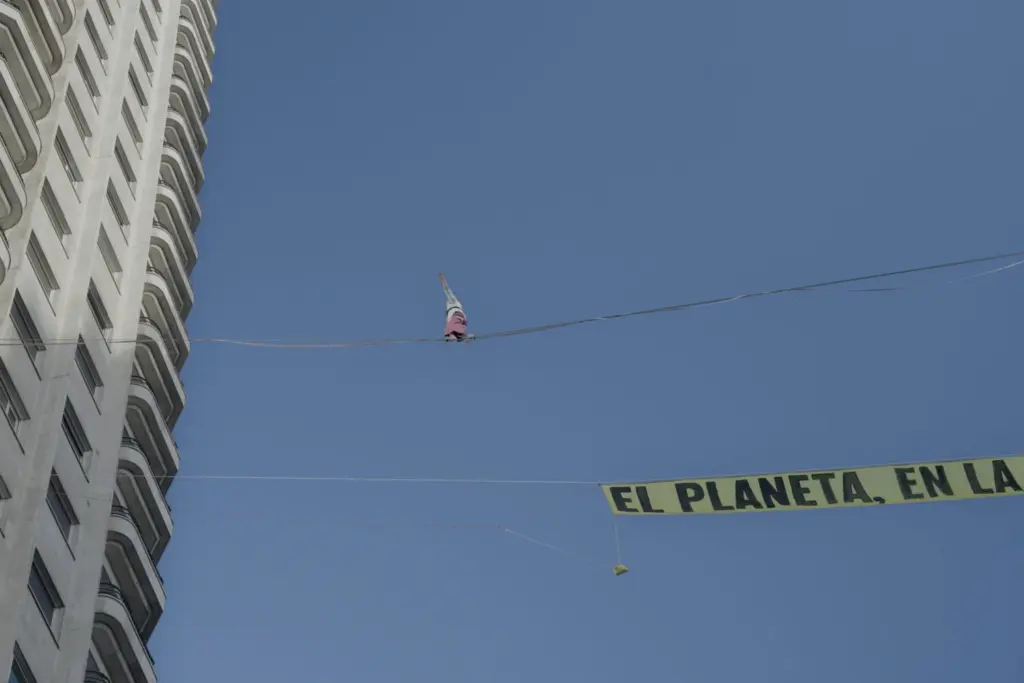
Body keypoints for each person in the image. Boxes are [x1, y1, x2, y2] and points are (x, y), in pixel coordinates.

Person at [440, 273, 472, 342]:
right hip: (460, 317)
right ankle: (459, 335)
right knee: (452, 325)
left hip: (456, 314)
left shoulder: (452, 300)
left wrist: (443, 281)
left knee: (453, 324)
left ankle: (459, 335)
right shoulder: (449, 311)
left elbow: (447, 291)